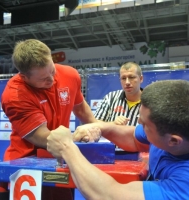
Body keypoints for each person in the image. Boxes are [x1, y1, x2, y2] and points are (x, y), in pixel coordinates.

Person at [47, 80, 189, 200]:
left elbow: (108, 195)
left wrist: (66, 148)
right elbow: (133, 137)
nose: (139, 123)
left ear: (174, 141)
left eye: (145, 125)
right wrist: (101, 127)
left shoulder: (184, 184)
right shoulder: (170, 132)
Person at [0, 39, 97, 200]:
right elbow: (42, 137)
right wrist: (76, 138)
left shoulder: (69, 74)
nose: (51, 80)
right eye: (43, 79)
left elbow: (80, 108)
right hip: (25, 166)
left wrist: (96, 127)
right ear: (24, 77)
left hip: (59, 160)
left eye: (52, 71)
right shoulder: (14, 95)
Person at [94, 61, 143, 126]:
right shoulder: (111, 97)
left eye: (131, 77)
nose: (127, 82)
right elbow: (95, 124)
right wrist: (113, 124)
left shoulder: (150, 102)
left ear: (141, 79)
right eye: (123, 78)